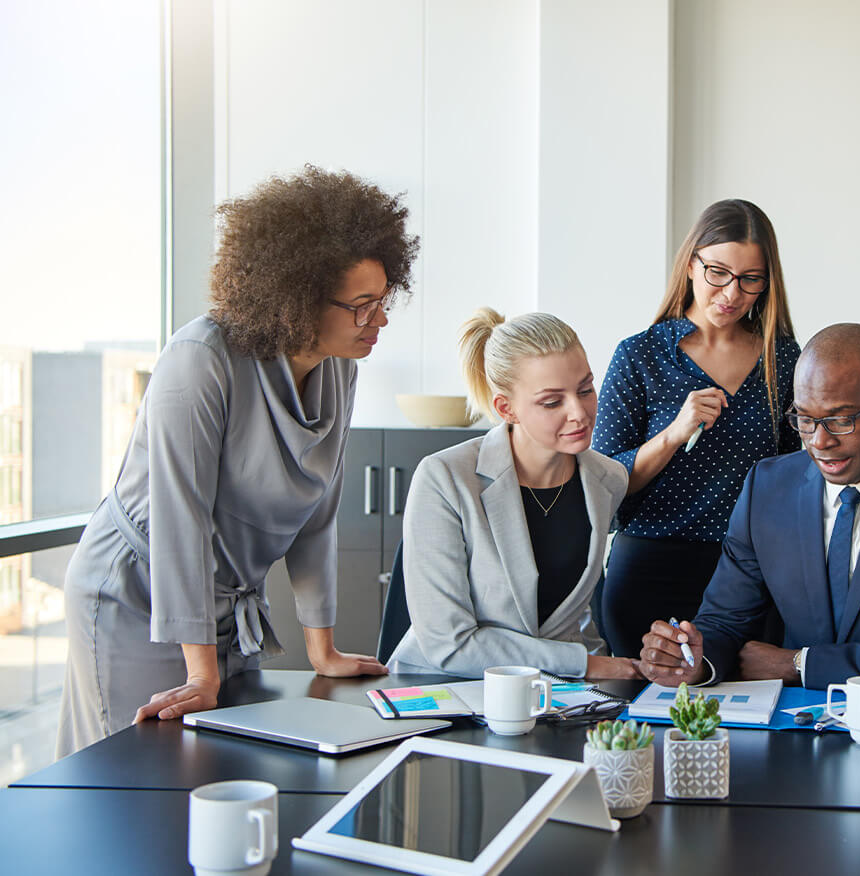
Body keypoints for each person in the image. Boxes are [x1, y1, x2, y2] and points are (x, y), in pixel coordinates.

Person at [57, 167, 419, 756]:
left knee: (220, 769)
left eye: (382, 302)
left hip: (223, 599)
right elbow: (183, 519)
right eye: (361, 305)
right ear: (298, 298)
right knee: (135, 773)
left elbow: (319, 516)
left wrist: (321, 648)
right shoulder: (200, 358)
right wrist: (202, 673)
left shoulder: (340, 370)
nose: (378, 320)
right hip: (138, 593)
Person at [639, 324, 860, 698]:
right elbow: (724, 624)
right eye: (805, 419)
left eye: (841, 420)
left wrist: (799, 664)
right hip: (792, 738)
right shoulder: (767, 488)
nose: (820, 441)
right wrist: (694, 659)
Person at [593, 199, 801, 658]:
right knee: (644, 711)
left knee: (746, 716)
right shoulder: (640, 355)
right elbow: (604, 484)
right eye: (718, 273)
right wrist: (673, 432)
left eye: (750, 279)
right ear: (691, 265)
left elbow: (796, 477)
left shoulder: (783, 359)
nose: (731, 294)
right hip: (650, 565)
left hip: (747, 573)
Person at [387, 310, 637, 679]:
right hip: (447, 688)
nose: (580, 413)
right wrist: (588, 665)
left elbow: (568, 618)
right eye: (552, 402)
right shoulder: (446, 478)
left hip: (556, 694)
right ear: (507, 408)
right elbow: (449, 643)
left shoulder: (609, 479)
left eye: (586, 389)